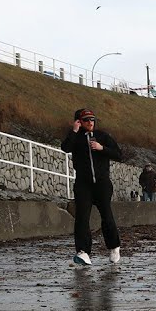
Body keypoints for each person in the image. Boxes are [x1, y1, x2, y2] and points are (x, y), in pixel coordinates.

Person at [61, 108, 123, 265]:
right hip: (83, 184)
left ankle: (114, 246)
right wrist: (74, 131)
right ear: (79, 122)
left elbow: (119, 154)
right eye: (86, 120)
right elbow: (65, 148)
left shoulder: (103, 136)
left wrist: (102, 148)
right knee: (82, 217)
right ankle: (83, 252)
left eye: (92, 119)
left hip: (102, 184)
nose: (90, 122)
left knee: (107, 215)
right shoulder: (76, 137)